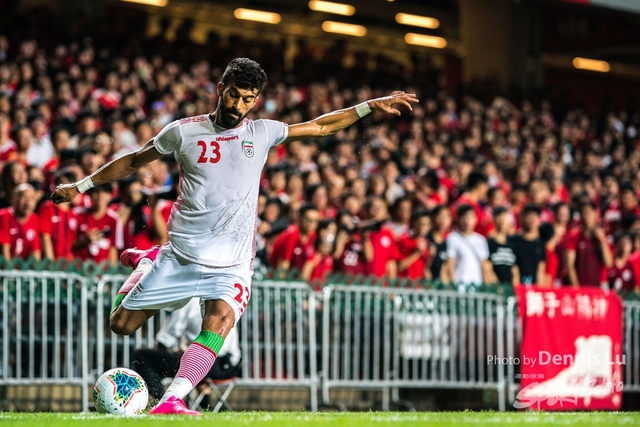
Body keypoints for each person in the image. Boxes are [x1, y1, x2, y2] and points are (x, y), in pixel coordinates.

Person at [51, 57, 418, 415]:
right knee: (121, 325)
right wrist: (80, 186)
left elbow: (320, 127)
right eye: (234, 95)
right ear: (220, 89)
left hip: (233, 263)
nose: (239, 106)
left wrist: (367, 107)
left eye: (248, 99)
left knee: (220, 321)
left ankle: (171, 401)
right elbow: (134, 160)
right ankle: (147, 262)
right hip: (181, 255)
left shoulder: (262, 132)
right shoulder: (184, 131)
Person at [132, 298, 241, 404]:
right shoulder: (225, 299)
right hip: (228, 368)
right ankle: (204, 402)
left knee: (142, 356)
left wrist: (162, 351)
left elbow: (168, 338)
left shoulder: (190, 300)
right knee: (192, 360)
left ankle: (163, 401)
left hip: (205, 364)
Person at [565, 202, 613, 287]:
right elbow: (570, 265)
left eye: (589, 213)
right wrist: (576, 288)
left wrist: (602, 240)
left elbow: (608, 263)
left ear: (595, 214)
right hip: (581, 285)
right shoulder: (574, 237)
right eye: (584, 213)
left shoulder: (602, 237)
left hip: (599, 286)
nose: (586, 216)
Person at [446, 204, 493, 289]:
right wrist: (452, 286)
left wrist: (487, 287)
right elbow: (449, 265)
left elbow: (484, 267)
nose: (467, 221)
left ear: (475, 219)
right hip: (459, 287)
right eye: (464, 217)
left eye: (470, 217)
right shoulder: (452, 238)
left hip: (477, 288)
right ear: (458, 219)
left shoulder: (481, 240)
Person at [0, 183, 41, 261]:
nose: (28, 201)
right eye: (24, 197)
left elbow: (35, 251)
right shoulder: (4, 216)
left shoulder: (34, 219)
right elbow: (4, 250)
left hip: (22, 266)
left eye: (31, 198)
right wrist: (10, 268)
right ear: (14, 199)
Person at [511, 204, 546, 286]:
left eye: (534, 218)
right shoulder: (513, 241)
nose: (532, 221)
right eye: (529, 217)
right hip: (517, 286)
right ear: (522, 218)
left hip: (534, 289)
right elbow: (513, 268)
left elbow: (540, 270)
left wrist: (540, 289)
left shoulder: (540, 244)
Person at [487, 207, 517, 286]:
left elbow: (515, 270)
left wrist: (514, 288)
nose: (502, 221)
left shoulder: (512, 244)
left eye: (505, 218)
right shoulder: (488, 243)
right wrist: (498, 288)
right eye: (499, 217)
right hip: (495, 288)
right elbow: (487, 269)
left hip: (510, 289)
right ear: (494, 220)